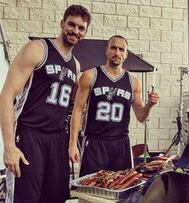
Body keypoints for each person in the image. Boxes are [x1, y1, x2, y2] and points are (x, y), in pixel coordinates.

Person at [0, 5, 91, 203]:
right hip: (29, 135)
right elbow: (7, 95)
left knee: (56, 197)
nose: (75, 31)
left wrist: (71, 144)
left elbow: (72, 108)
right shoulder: (38, 48)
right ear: (62, 24)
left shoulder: (75, 65)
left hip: (57, 139)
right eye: (71, 25)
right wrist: (8, 147)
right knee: (26, 198)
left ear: (84, 32)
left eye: (81, 28)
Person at [68, 35, 159, 177]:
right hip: (94, 143)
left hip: (120, 144)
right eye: (113, 48)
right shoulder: (90, 75)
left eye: (121, 49)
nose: (117, 53)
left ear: (126, 54)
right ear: (106, 50)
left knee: (121, 189)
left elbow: (141, 116)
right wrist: (72, 144)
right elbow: (78, 110)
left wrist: (149, 105)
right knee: (90, 190)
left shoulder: (133, 81)